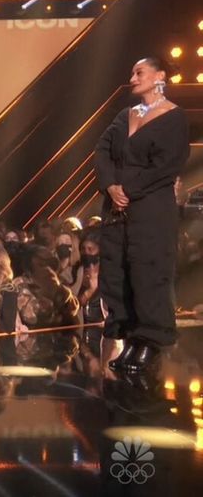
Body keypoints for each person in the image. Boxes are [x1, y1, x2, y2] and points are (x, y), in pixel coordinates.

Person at [93, 56, 190, 373]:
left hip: (150, 209)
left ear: (160, 76)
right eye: (132, 72)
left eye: (139, 72)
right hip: (116, 210)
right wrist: (110, 187)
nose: (133, 78)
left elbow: (167, 166)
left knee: (148, 273)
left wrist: (128, 190)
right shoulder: (125, 115)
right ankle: (130, 335)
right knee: (117, 272)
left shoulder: (174, 117)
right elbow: (102, 151)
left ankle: (151, 340)